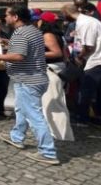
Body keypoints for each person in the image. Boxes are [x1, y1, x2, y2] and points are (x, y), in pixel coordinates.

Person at [0, 5, 58, 165]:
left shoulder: (21, 32)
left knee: (35, 116)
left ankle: (48, 152)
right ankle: (17, 137)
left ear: (15, 17)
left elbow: (19, 56)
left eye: (7, 15)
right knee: (22, 109)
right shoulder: (33, 30)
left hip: (29, 80)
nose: (5, 18)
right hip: (33, 78)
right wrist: (8, 42)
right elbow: (26, 49)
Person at [60, 3, 101, 132]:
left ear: (67, 13)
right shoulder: (87, 22)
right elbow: (81, 42)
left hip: (96, 62)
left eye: (63, 14)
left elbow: (89, 46)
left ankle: (82, 119)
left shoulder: (85, 23)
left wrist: (79, 57)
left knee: (85, 92)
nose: (63, 17)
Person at [37, 12, 74, 141]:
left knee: (53, 105)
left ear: (43, 22)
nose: (38, 22)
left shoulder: (48, 35)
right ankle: (58, 132)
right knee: (57, 102)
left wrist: (36, 53)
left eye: (40, 20)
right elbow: (64, 55)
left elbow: (56, 52)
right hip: (58, 69)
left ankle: (59, 134)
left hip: (51, 71)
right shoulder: (59, 35)